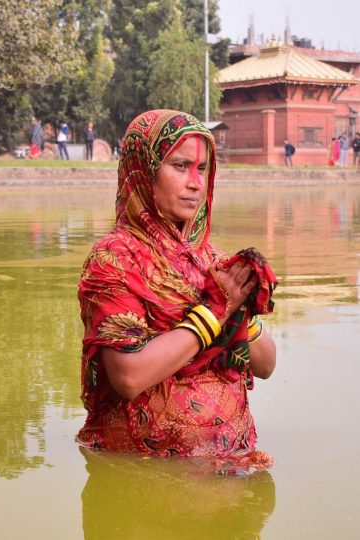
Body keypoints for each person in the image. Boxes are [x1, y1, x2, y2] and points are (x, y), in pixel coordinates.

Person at [76, 109, 277, 463]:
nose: (196, 183)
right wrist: (214, 312)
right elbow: (129, 376)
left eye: (202, 169)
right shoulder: (114, 259)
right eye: (180, 166)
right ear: (144, 170)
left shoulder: (212, 260)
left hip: (230, 468)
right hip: (143, 482)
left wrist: (241, 309)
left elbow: (265, 365)